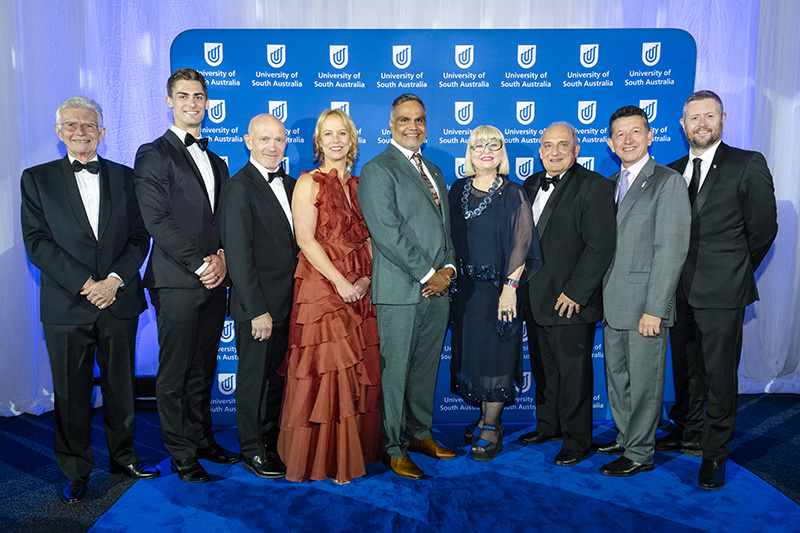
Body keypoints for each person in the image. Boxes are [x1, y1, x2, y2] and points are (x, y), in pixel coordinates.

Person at [20, 96, 158, 504]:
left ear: (102, 131)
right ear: (59, 132)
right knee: (71, 393)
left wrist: (113, 280)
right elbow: (37, 243)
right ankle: (76, 471)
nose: (81, 131)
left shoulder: (127, 177)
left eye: (89, 125)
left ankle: (124, 457)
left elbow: (140, 237)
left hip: (118, 299)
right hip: (67, 305)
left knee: (121, 388)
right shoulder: (36, 178)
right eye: (72, 125)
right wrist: (87, 284)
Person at [658, 90, 778, 489]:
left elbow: (763, 229)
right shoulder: (672, 170)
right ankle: (689, 433)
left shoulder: (747, 164)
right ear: (683, 124)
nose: (702, 124)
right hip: (678, 292)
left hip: (724, 292)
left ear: (723, 119)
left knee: (720, 376)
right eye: (694, 118)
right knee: (687, 370)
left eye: (709, 116)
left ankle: (714, 454)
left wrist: (736, 271)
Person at [134, 68, 239, 483]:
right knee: (175, 372)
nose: (192, 103)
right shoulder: (153, 152)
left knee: (203, 367)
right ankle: (181, 455)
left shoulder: (216, 159)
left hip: (215, 279)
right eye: (183, 96)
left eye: (198, 96)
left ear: (207, 102)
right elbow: (156, 219)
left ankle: (202, 441)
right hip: (177, 280)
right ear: (169, 101)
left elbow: (226, 220)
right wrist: (200, 264)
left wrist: (224, 259)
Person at [277, 109, 382, 484]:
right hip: (324, 286)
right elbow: (305, 239)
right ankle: (328, 460)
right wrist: (340, 282)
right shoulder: (308, 182)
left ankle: (351, 451)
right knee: (330, 367)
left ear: (351, 140)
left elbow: (371, 236)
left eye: (342, 133)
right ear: (318, 142)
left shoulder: (359, 184)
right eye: (328, 134)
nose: (336, 140)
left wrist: (367, 277)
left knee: (356, 367)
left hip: (361, 285)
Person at [359, 94, 457, 480]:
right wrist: (427, 273)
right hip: (401, 292)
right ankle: (393, 447)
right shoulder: (378, 169)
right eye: (404, 120)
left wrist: (447, 268)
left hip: (438, 289)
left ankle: (419, 435)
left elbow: (446, 230)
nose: (413, 126)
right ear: (391, 124)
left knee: (424, 369)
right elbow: (387, 233)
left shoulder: (433, 168)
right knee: (396, 372)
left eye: (419, 120)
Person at [598, 105, 690, 477]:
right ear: (610, 143)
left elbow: (670, 250)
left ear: (650, 136)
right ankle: (625, 436)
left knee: (645, 382)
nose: (628, 140)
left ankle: (640, 452)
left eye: (636, 132)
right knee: (617, 377)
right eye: (620, 134)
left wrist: (656, 308)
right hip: (611, 302)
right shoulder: (609, 184)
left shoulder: (667, 182)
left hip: (644, 307)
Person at [519, 122, 616, 467]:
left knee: (574, 374)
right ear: (540, 150)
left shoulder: (595, 187)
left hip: (571, 301)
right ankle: (548, 426)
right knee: (545, 368)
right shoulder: (530, 184)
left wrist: (576, 292)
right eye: (547, 145)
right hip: (534, 297)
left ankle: (578, 439)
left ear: (577, 150)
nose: (555, 151)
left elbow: (601, 246)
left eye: (563, 145)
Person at [448, 125, 541, 461]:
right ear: (469, 152)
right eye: (477, 144)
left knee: (497, 359)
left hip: (499, 292)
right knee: (474, 358)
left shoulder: (513, 192)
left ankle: (493, 426)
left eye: (493, 144)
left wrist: (510, 289)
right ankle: (484, 416)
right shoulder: (457, 189)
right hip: (466, 295)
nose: (485, 149)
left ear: (502, 151)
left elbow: (522, 244)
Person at [218, 113, 297, 479]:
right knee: (253, 381)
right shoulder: (238, 187)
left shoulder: (294, 184)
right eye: (264, 139)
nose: (272, 146)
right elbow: (238, 257)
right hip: (260, 308)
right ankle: (252, 449)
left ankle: (269, 442)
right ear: (248, 142)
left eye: (278, 140)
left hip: (289, 305)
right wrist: (256, 311)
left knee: (276, 379)